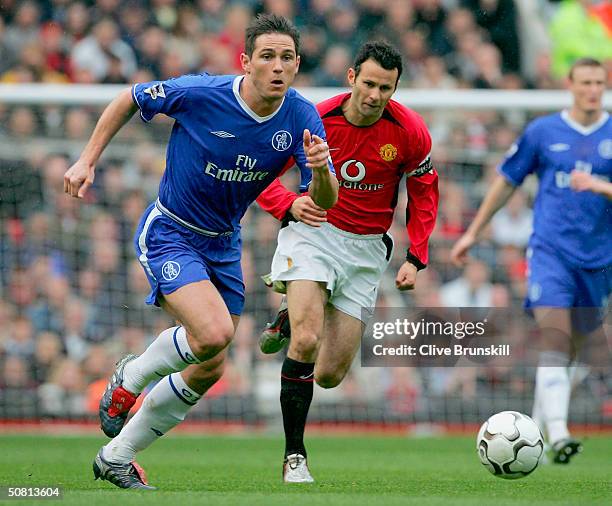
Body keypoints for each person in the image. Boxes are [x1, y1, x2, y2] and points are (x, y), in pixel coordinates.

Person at [63, 13, 338, 490]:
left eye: (287, 58)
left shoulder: (301, 117)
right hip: (171, 230)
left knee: (210, 363)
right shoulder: (203, 93)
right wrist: (87, 160)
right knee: (212, 334)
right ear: (246, 62)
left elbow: (323, 202)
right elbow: (130, 96)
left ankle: (116, 456)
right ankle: (131, 374)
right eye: (267, 56)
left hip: (224, 244)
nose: (277, 66)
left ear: (297, 65)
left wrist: (322, 172)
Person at [256, 41, 438, 482]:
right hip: (314, 231)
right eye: (370, 83)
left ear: (396, 89)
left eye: (386, 88)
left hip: (366, 250)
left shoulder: (410, 132)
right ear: (352, 77)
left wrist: (417, 254)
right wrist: (287, 205)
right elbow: (261, 171)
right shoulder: (314, 119)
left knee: (331, 375)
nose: (375, 95)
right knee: (305, 342)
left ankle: (291, 317)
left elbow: (424, 192)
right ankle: (294, 456)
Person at [451, 57, 611, 464]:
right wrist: (474, 230)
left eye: (599, 82)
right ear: (570, 85)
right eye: (585, 82)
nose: (592, 89)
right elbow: (508, 179)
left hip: (599, 259)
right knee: (554, 337)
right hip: (550, 253)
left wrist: (599, 186)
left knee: (576, 349)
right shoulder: (543, 131)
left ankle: (538, 433)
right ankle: (558, 433)